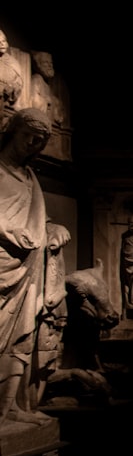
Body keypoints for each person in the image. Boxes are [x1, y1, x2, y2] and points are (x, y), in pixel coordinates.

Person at [0, 108, 67, 427]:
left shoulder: (30, 177)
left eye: (41, 141)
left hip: (27, 269)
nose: (34, 145)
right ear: (13, 130)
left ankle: (11, 408)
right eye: (31, 137)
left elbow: (37, 220)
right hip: (2, 267)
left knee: (22, 339)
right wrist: (11, 233)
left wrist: (52, 228)